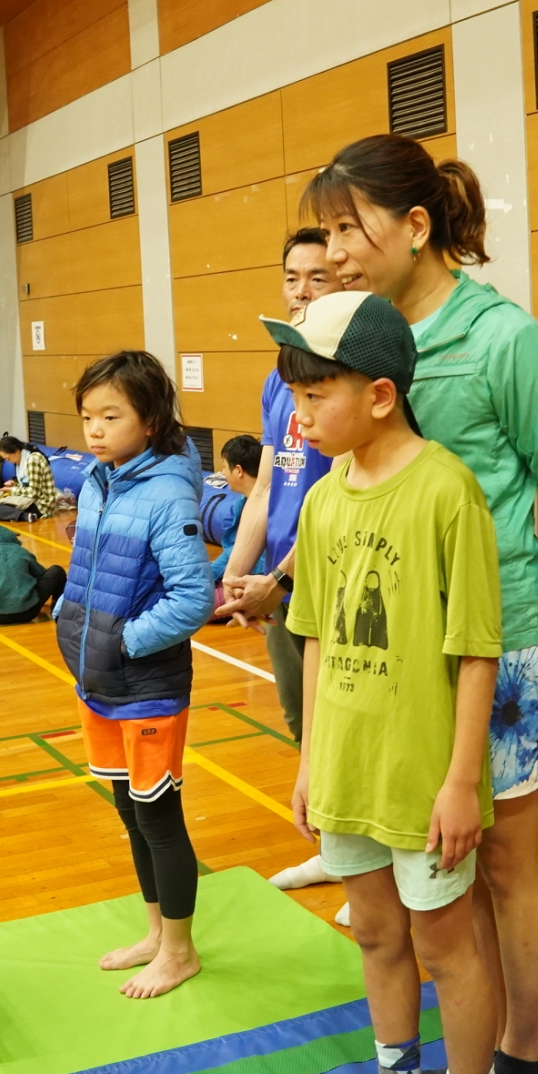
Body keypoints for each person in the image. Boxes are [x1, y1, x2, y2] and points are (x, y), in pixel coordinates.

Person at [306, 134, 538, 1074]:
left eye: (348, 227)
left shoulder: (502, 339)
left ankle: (520, 1054)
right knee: (445, 868)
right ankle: (468, 1056)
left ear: (415, 225)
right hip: (400, 645)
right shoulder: (360, 338)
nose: (334, 251)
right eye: (326, 232)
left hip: (503, 632)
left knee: (508, 863)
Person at [269, 291, 504, 1074]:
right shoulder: (325, 499)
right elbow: (315, 637)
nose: (298, 413)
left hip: (421, 774)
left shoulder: (446, 490)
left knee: (446, 945)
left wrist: (459, 780)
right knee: (375, 933)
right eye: (295, 395)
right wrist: (311, 760)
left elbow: (476, 648)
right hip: (348, 767)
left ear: (378, 395)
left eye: (314, 394)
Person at [55, 350, 211, 1000]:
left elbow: (192, 597)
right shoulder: (100, 479)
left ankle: (180, 951)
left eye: (110, 416)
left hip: (146, 684)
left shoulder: (167, 491)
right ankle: (156, 934)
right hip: (99, 680)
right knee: (128, 808)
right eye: (88, 416)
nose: (94, 429)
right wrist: (69, 615)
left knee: (159, 816)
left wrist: (124, 642)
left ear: (150, 420)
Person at [218, 229, 341, 742]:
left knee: (336, 734)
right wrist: (234, 578)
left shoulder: (351, 376)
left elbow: (343, 502)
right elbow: (265, 488)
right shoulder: (277, 380)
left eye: (318, 278)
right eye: (292, 279)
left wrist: (280, 580)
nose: (301, 291)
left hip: (329, 581)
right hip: (281, 584)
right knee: (301, 728)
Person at [207, 434, 264, 585]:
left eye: (224, 466)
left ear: (238, 470)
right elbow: (232, 549)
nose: (223, 472)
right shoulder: (242, 502)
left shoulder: (268, 507)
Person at [0, 435, 58, 521]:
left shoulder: (33, 459)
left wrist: (13, 490)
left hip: (41, 505)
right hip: (32, 500)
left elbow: (34, 492)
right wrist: (15, 484)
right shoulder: (21, 459)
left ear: (17, 451)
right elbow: (28, 483)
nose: (8, 461)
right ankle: (25, 515)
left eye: (8, 458)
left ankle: (24, 516)